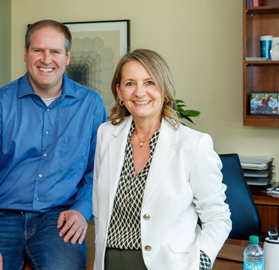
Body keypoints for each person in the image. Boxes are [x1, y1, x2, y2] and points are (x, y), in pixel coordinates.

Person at [0, 19, 107, 270]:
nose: (46, 59)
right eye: (38, 50)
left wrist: (83, 209)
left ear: (67, 56)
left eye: (55, 52)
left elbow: (100, 168)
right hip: (1, 217)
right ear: (26, 54)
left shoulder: (91, 105)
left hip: (58, 218)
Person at [92, 49, 232, 270]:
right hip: (108, 262)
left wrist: (200, 263)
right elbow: (99, 208)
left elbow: (218, 216)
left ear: (164, 89)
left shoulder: (193, 144)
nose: (139, 92)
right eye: (130, 83)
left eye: (149, 82)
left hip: (168, 264)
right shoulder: (106, 134)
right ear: (119, 93)